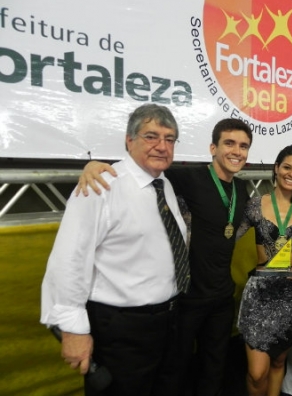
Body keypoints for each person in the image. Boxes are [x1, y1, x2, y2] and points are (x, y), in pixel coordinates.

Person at [77, 118, 253, 396]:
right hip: (186, 298)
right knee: (175, 371)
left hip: (222, 298)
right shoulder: (188, 178)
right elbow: (142, 167)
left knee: (214, 368)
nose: (237, 151)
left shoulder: (242, 189)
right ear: (213, 148)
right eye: (229, 143)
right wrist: (96, 166)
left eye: (243, 146)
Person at [41, 104, 188, 396]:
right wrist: (73, 328)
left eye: (170, 139)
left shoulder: (165, 185)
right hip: (121, 330)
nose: (162, 146)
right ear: (129, 140)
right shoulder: (101, 185)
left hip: (168, 322)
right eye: (151, 136)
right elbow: (69, 259)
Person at [236, 144, 292, 396]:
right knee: (256, 373)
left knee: (278, 361)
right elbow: (229, 237)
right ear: (276, 168)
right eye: (287, 167)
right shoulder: (255, 205)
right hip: (260, 294)